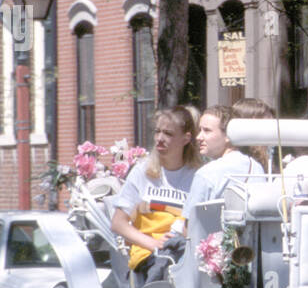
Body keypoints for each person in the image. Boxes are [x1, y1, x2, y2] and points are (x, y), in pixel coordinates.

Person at [112, 106, 201, 269]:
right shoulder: (142, 171)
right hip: (148, 257)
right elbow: (118, 223)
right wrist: (154, 244)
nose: (159, 138)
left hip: (185, 255)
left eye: (168, 133)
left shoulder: (198, 176)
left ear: (186, 138)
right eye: (157, 131)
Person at [184, 102, 266, 220]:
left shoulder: (206, 173)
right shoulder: (257, 167)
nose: (198, 137)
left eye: (207, 131)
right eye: (199, 130)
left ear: (229, 135)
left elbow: (190, 223)